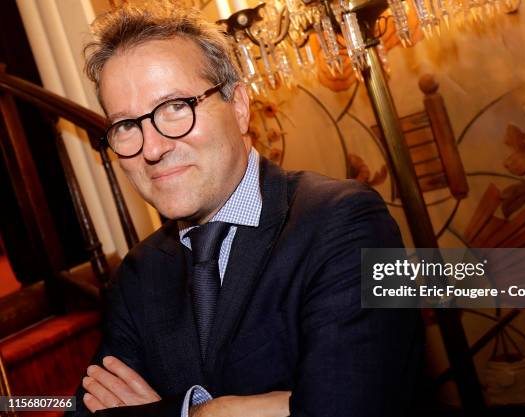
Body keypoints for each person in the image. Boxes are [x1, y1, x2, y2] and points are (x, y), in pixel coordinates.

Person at [73, 2, 423, 416]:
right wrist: (205, 411)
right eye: (127, 126)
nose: (152, 148)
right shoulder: (139, 272)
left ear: (239, 105)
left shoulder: (344, 222)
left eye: (175, 108)